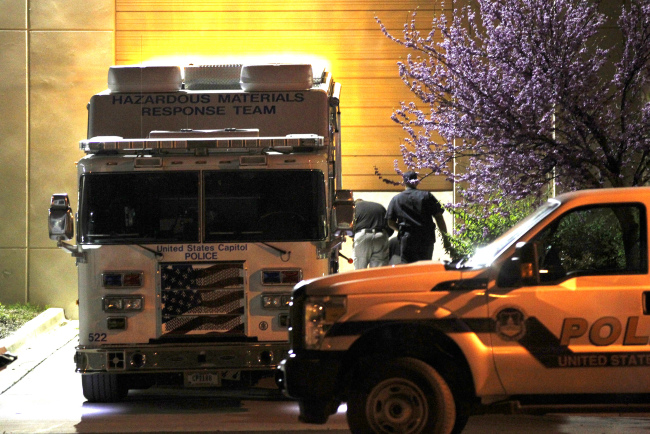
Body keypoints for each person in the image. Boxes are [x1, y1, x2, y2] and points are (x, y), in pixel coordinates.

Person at [386, 171, 451, 263]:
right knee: (424, 267)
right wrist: (446, 238)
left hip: (407, 238)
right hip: (426, 237)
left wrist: (401, 230)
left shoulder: (396, 199)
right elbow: (439, 217)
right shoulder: (427, 196)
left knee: (408, 268)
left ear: (404, 182)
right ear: (416, 181)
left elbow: (390, 222)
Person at [352, 199, 392, 269]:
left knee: (360, 270)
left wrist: (353, 237)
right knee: (378, 272)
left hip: (363, 235)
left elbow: (349, 226)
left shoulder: (354, 207)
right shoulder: (380, 206)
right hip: (381, 235)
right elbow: (390, 226)